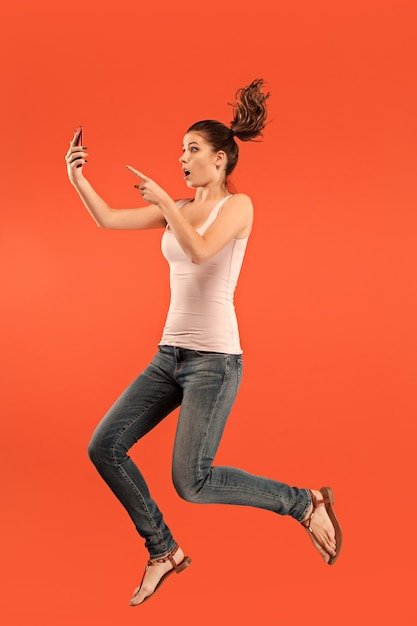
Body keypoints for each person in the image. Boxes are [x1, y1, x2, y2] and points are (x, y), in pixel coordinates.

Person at [65, 79, 342, 607]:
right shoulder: (180, 207)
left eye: (192, 149)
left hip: (215, 363)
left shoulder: (238, 208)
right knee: (104, 446)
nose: (182, 157)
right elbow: (106, 219)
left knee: (191, 482)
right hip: (169, 357)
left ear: (220, 159)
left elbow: (198, 251)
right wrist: (77, 176)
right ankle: (163, 550)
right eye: (181, 149)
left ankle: (304, 503)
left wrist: (168, 203)